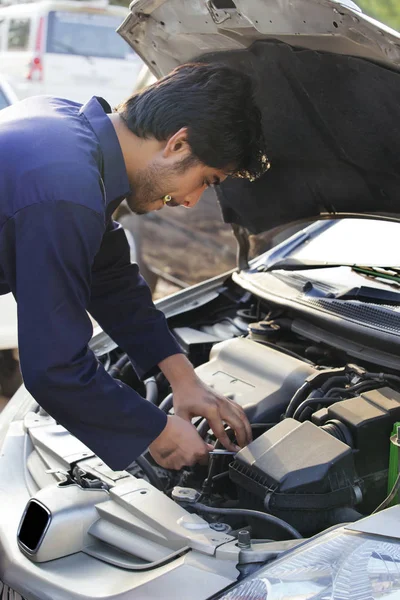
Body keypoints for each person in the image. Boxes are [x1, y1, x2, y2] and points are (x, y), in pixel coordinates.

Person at [0, 62, 267, 472]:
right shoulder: (64, 188)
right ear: (178, 144)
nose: (193, 200)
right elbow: (53, 366)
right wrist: (153, 430)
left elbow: (107, 276)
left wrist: (183, 377)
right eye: (207, 181)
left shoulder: (68, 134)